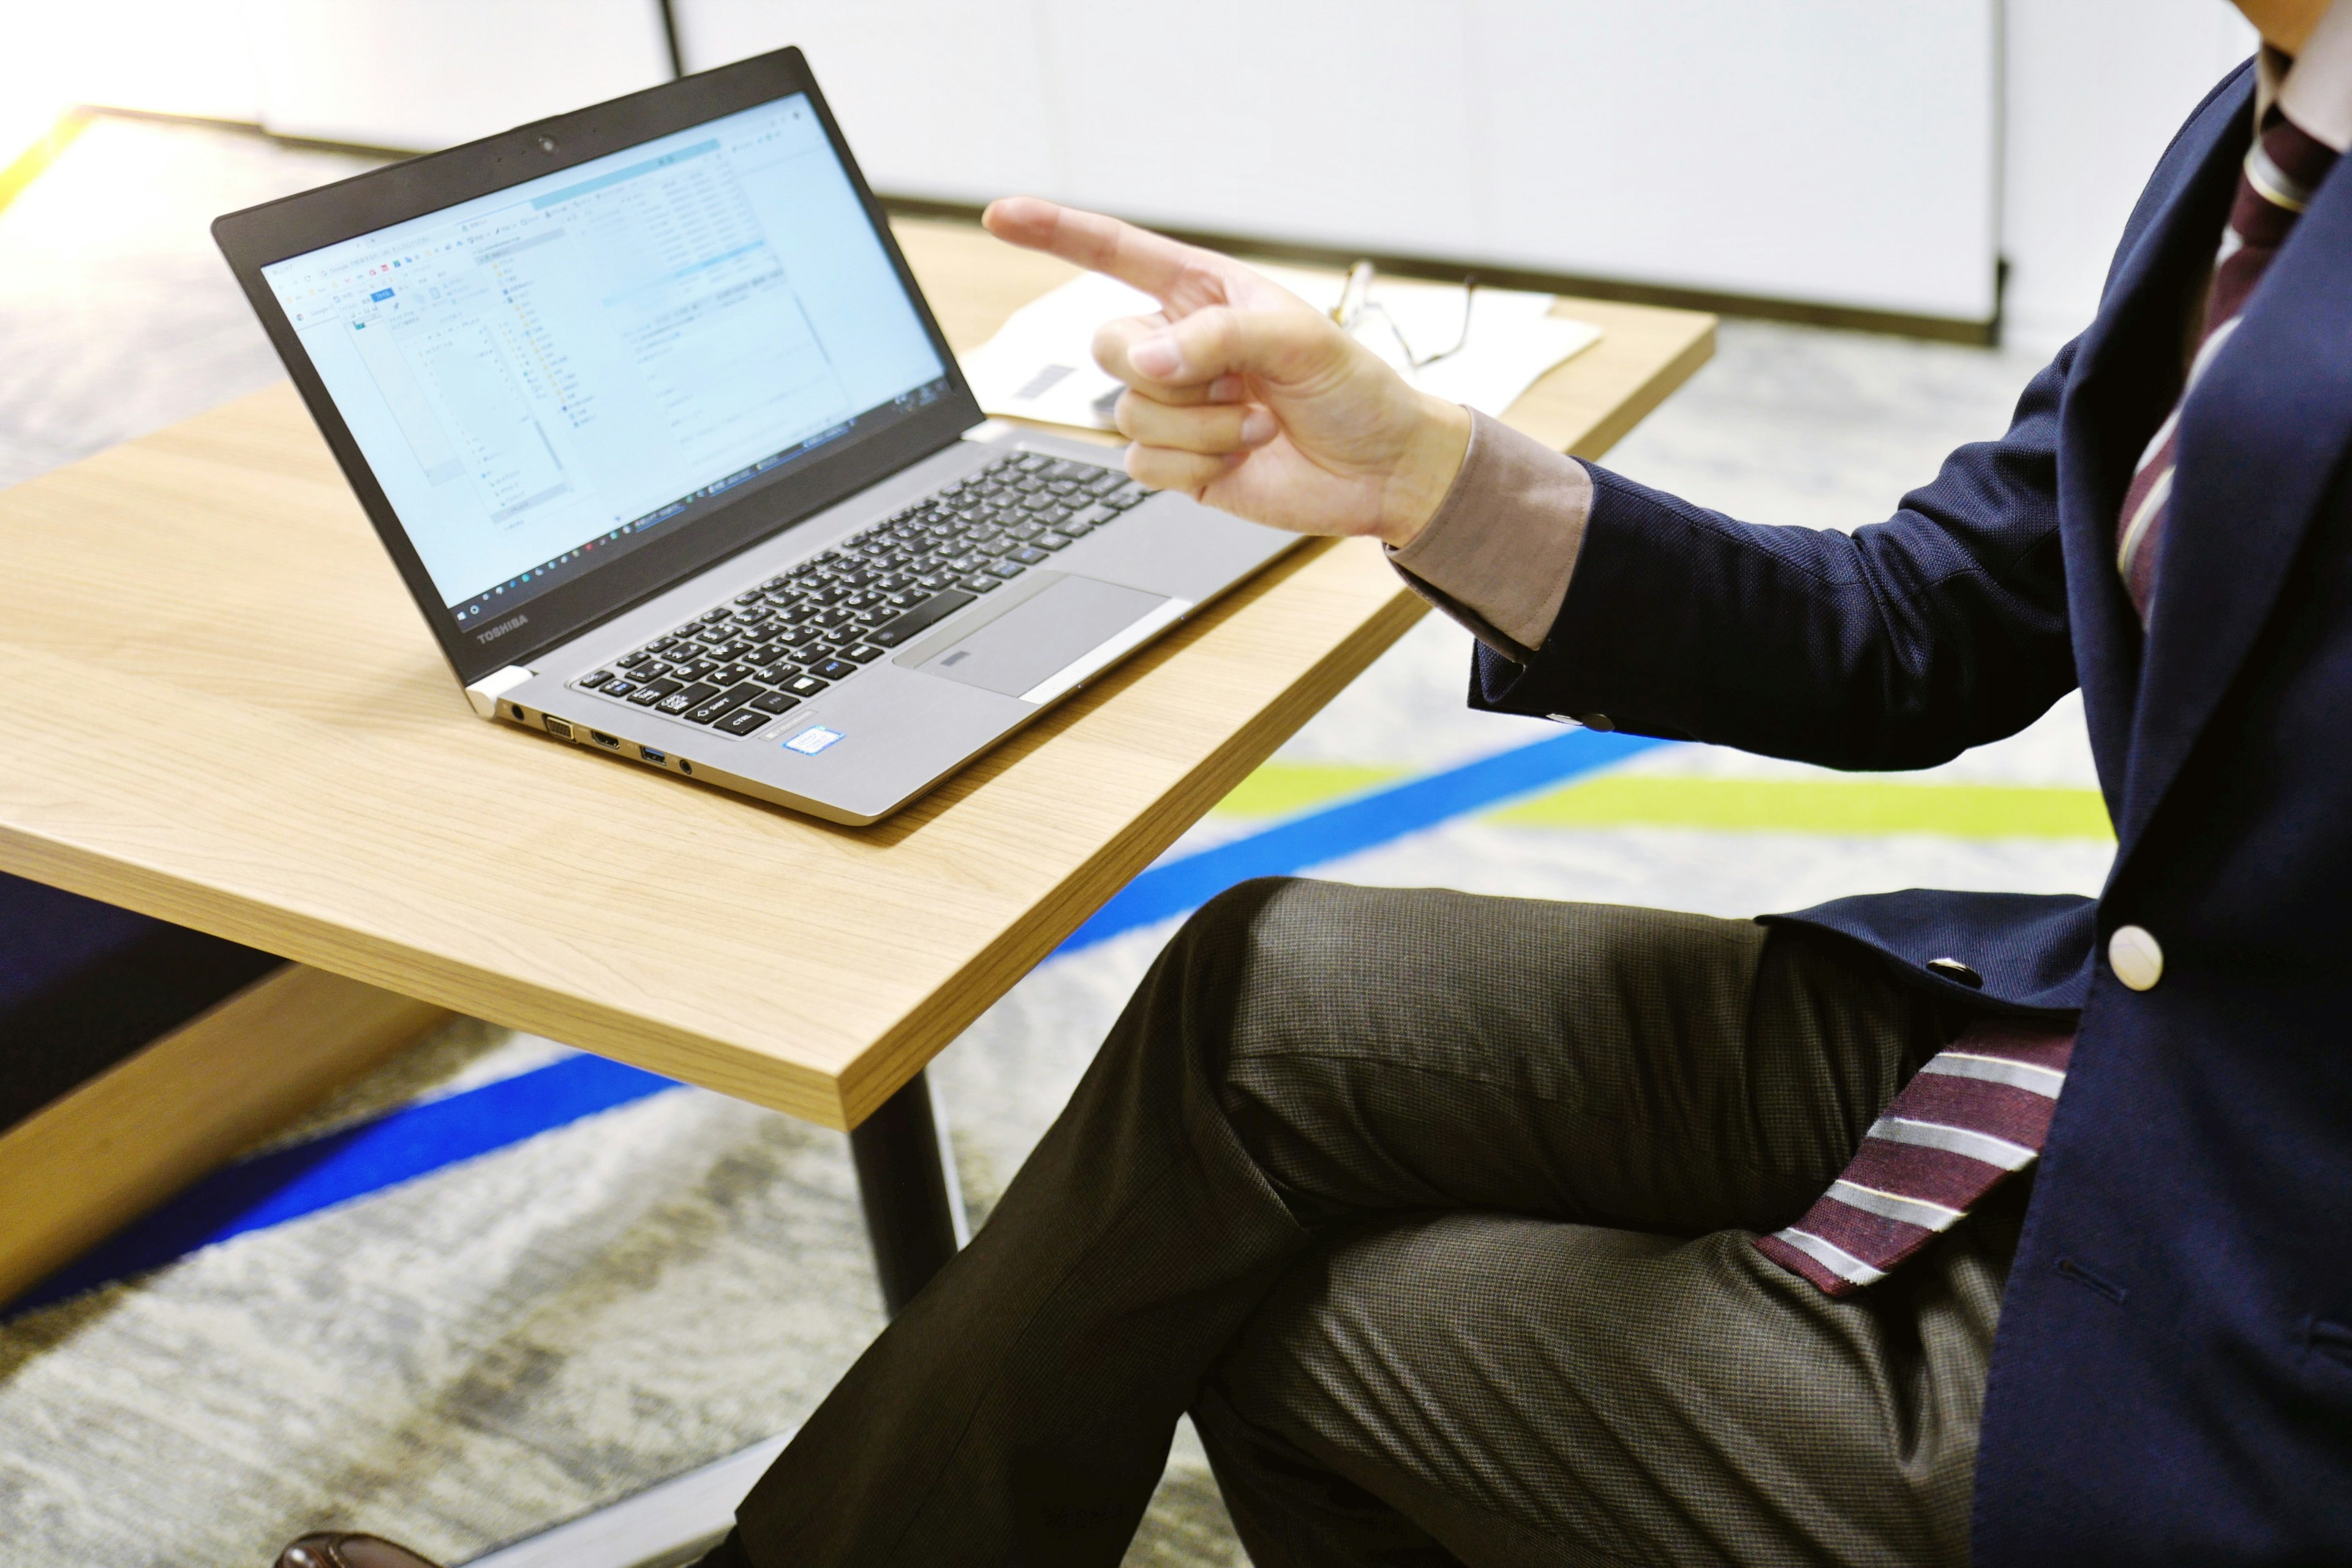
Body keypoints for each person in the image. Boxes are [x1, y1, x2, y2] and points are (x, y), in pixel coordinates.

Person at [284, 0, 2352, 1562]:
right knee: (1261, 998)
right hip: (2115, 1060)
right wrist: (1432, 477)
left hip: (2271, 1307)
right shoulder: (2255, 124)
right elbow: (1916, 626)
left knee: (1312, 1330)